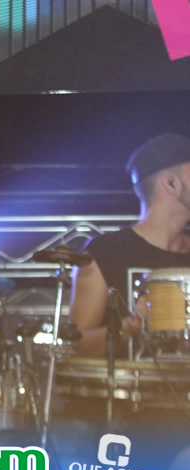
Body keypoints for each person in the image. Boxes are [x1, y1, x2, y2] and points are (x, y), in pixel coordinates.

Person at [70, 133, 190, 358]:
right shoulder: (104, 254)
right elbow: (76, 346)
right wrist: (134, 323)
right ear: (171, 183)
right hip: (130, 381)